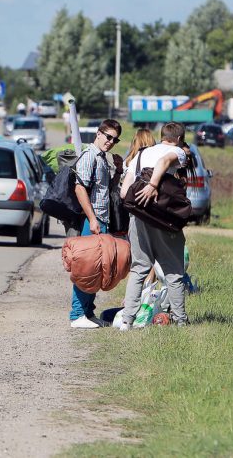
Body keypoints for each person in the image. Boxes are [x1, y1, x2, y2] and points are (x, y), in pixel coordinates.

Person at [118, 122, 191, 329]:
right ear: (178, 138)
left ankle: (127, 321)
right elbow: (165, 160)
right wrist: (152, 185)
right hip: (163, 219)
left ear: (162, 136)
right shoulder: (177, 150)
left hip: (139, 217)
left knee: (139, 268)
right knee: (174, 271)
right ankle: (179, 321)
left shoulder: (140, 154)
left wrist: (141, 199)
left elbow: (124, 193)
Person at [69, 119, 122, 329]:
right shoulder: (89, 156)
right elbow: (80, 189)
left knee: (97, 269)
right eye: (108, 136)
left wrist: (118, 171)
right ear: (98, 134)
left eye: (115, 139)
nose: (110, 142)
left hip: (102, 219)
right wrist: (92, 219)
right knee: (86, 269)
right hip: (92, 220)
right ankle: (77, 314)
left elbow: (106, 191)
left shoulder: (102, 158)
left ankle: (88, 313)